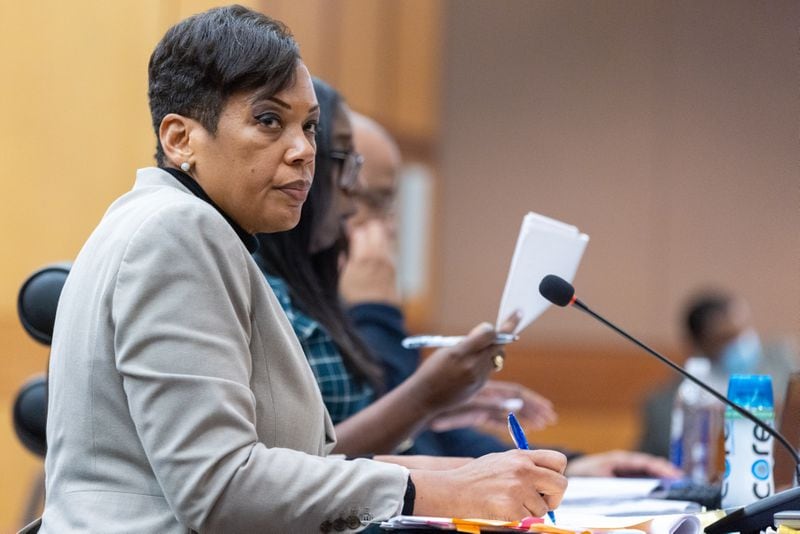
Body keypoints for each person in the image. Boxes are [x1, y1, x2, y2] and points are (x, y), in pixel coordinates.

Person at [33, 7, 567, 533]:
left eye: (309, 127)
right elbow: (220, 488)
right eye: (269, 120)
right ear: (180, 139)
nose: (302, 151)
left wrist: (480, 476)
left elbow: (303, 463)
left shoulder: (177, 225)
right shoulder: (177, 232)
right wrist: (435, 489)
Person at [342, 110, 682, 478]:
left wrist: (567, 466)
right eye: (370, 201)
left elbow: (424, 439)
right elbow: (356, 458)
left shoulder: (353, 299)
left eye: (390, 205)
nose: (389, 226)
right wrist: (376, 312)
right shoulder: (315, 308)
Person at [639, 290, 798, 459]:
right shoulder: (667, 402)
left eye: (742, 331)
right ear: (699, 345)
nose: (741, 343)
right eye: (726, 337)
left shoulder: (782, 363)